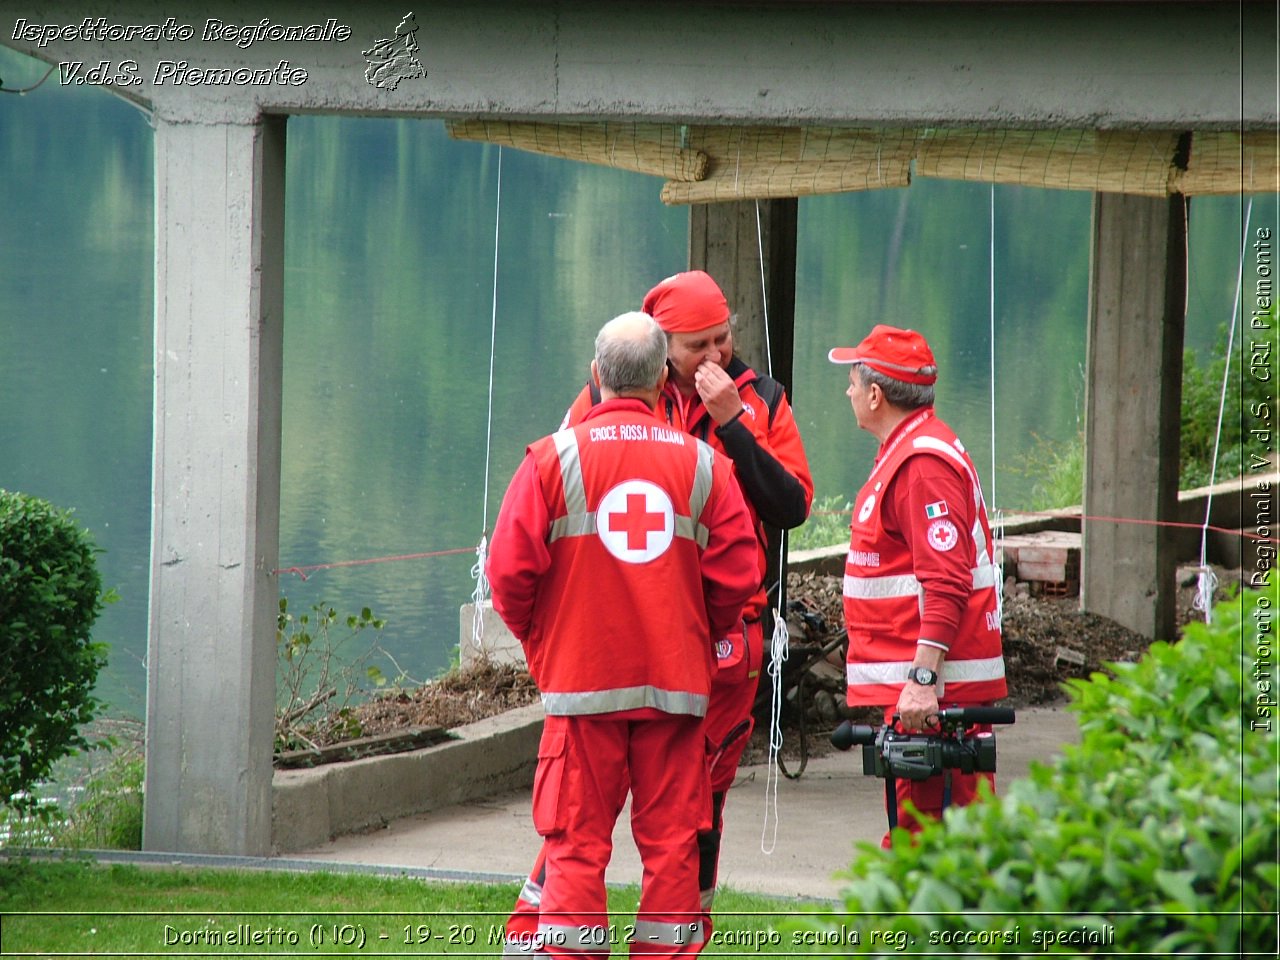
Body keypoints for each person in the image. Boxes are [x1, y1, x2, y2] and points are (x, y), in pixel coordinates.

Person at [507, 270, 812, 928]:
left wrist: (733, 425)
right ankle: (545, 932)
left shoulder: (761, 400)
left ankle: (678, 933)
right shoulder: (602, 398)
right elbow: (561, 504)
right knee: (581, 815)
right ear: (662, 349)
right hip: (622, 637)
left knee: (698, 805)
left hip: (721, 643)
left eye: (723, 339)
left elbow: (790, 508)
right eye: (698, 345)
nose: (715, 357)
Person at [828, 324, 1006, 845]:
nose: (848, 391)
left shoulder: (922, 465)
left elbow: (947, 579)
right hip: (926, 694)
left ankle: (931, 930)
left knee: (930, 842)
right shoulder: (913, 450)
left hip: (935, 698)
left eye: (853, 382)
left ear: (877, 394)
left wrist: (924, 681)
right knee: (928, 836)